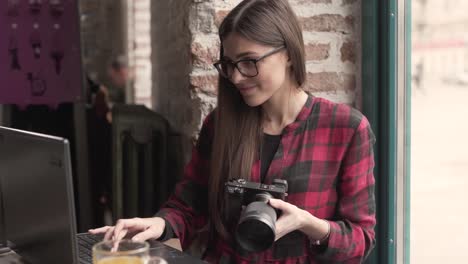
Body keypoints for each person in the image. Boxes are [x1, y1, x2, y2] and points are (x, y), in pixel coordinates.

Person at [89, 0, 376, 263]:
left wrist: (309, 223)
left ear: (288, 53)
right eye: (229, 65)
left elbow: (361, 241)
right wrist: (160, 224)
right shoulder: (220, 124)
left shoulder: (347, 129)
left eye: (249, 62)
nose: (236, 77)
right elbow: (188, 207)